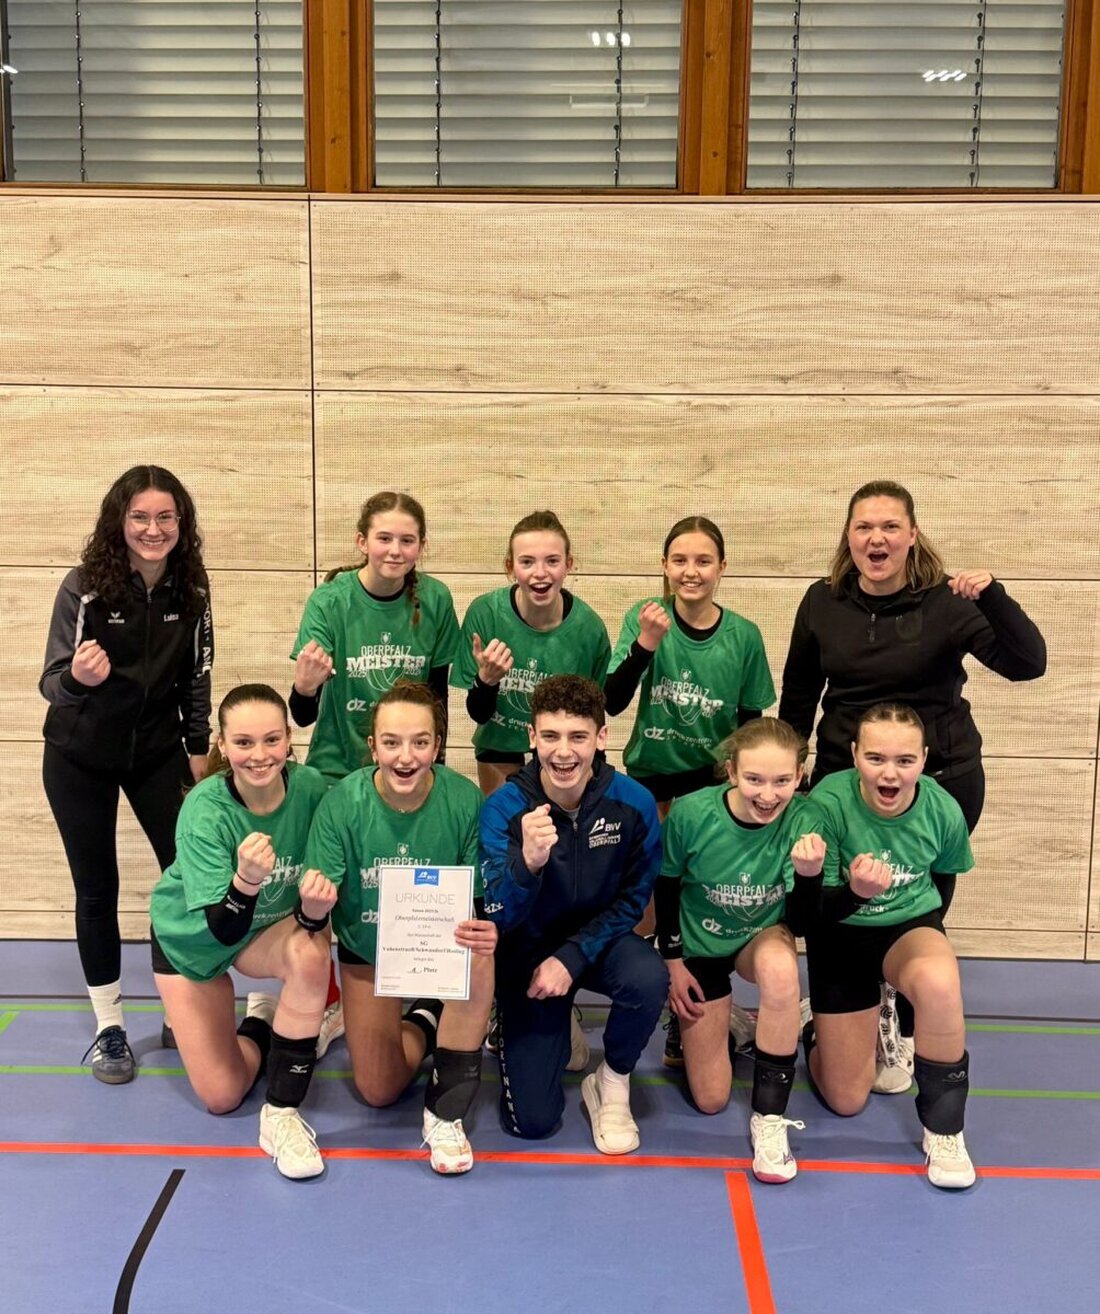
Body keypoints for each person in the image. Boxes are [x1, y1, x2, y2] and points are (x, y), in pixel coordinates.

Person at [778, 479, 1045, 1092]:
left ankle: (892, 1009)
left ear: (912, 535)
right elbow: (799, 693)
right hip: (843, 780)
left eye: (890, 526)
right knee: (834, 903)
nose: (877, 538)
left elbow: (1028, 663)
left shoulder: (947, 604)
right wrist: (793, 774)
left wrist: (995, 597)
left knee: (915, 907)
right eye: (864, 526)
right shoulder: (822, 601)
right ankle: (838, 1011)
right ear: (848, 536)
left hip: (940, 780)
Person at [39, 464, 213, 1084]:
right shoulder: (84, 588)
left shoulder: (191, 589)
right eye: (140, 516)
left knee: (187, 879)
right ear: (120, 520)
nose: (153, 528)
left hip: (157, 753)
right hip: (78, 755)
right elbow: (51, 682)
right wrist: (78, 680)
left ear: (181, 523)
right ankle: (109, 1027)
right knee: (97, 889)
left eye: (166, 516)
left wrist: (199, 748)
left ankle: (180, 1003)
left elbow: (197, 677)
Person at [289, 491, 461, 1055]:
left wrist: (431, 761)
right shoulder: (331, 601)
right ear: (362, 541)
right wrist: (306, 685)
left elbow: (436, 698)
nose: (395, 549)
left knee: (410, 879)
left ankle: (424, 989)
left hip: (410, 769)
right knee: (333, 892)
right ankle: (332, 1000)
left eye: (406, 540)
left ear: (421, 547)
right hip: (341, 769)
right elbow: (302, 714)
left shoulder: (434, 600)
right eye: (383, 538)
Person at [304, 681, 496, 1174]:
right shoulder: (342, 804)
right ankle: (427, 1019)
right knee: (378, 1089)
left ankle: (447, 1108)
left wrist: (486, 926)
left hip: (442, 948)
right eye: (391, 742)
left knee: (482, 951)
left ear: (437, 745)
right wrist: (312, 906)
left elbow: (479, 898)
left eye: (419, 742)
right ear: (372, 747)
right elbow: (313, 913)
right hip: (369, 952)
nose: (405, 756)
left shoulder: (466, 801)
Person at [604, 515, 775, 1066]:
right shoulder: (644, 617)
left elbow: (753, 722)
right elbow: (610, 699)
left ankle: (693, 1015)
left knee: (698, 901)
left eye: (703, 561)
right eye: (680, 560)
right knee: (647, 903)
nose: (690, 571)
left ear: (722, 568)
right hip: (650, 782)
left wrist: (739, 790)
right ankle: (646, 996)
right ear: (664, 566)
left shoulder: (743, 636)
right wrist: (645, 646)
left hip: (710, 789)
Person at [150, 685, 334, 1180]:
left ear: (289, 740)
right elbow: (222, 926)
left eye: (272, 740)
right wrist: (247, 879)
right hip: (194, 940)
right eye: (245, 743)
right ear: (222, 744)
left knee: (312, 956)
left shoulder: (313, 788)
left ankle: (281, 1116)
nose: (260, 755)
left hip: (263, 931)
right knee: (223, 1095)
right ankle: (261, 1022)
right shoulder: (204, 811)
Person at [480, 675, 667, 1155]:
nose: (564, 752)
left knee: (648, 977)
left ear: (601, 738)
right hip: (528, 951)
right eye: (551, 736)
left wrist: (572, 956)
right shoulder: (504, 807)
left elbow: (633, 900)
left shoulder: (634, 803)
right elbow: (496, 912)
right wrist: (529, 865)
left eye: (578, 736)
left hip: (597, 942)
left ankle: (612, 1078)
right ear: (532, 737)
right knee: (533, 1123)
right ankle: (555, 1021)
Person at [801, 703, 976, 1189]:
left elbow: (942, 885)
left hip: (905, 928)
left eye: (904, 760)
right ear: (854, 755)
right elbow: (812, 915)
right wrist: (854, 892)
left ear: (923, 759)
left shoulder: (941, 809)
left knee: (941, 983)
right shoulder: (827, 804)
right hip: (838, 933)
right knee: (847, 1099)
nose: (890, 773)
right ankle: (814, 1024)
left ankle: (945, 1131)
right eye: (875, 758)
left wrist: (924, 944)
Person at [656, 718, 819, 1183]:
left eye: (782, 781)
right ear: (731, 772)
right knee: (710, 1100)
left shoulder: (803, 819)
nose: (768, 794)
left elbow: (803, 925)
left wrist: (808, 876)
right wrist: (671, 961)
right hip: (701, 947)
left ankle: (769, 1118)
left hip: (758, 938)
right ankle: (732, 1023)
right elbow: (665, 888)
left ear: (798, 777)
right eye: (754, 779)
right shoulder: (690, 813)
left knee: (781, 969)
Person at [452, 510, 611, 798]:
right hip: (501, 744)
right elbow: (478, 713)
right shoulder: (485, 614)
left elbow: (593, 718)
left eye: (552, 561)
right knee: (507, 830)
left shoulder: (590, 630)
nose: (540, 573)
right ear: (510, 567)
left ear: (569, 565)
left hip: (560, 748)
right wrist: (486, 680)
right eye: (527, 562)